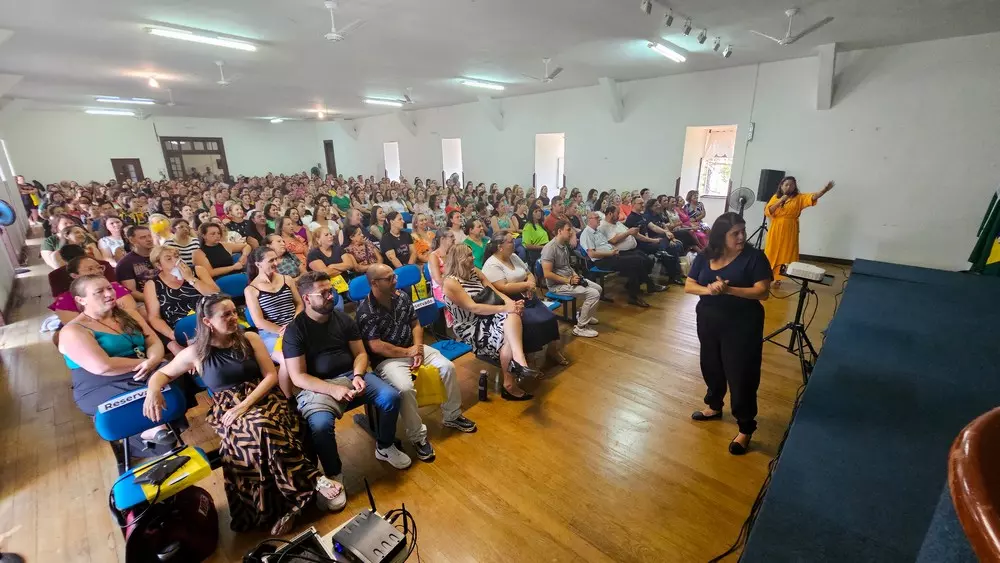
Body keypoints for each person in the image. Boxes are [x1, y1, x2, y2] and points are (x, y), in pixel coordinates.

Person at [141, 295, 346, 535]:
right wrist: (153, 389)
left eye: (233, 312)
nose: (233, 318)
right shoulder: (196, 352)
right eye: (225, 315)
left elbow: (270, 375)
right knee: (256, 433)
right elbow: (163, 374)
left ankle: (297, 498)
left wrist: (245, 405)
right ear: (207, 322)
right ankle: (306, 488)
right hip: (226, 407)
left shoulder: (249, 338)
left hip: (262, 396)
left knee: (260, 425)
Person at [282, 272, 412, 474]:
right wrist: (332, 390)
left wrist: (359, 374)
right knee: (320, 425)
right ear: (306, 298)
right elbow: (298, 377)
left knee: (391, 397)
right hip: (318, 386)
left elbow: (360, 353)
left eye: (331, 290)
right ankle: (334, 472)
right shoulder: (295, 330)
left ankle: (385, 446)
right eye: (323, 293)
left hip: (351, 376)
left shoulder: (343, 319)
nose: (331, 296)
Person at [357, 264, 477, 462]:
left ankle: (452, 415)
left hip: (413, 348)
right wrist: (408, 352)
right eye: (389, 278)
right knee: (404, 388)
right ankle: (417, 436)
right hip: (388, 360)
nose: (395, 279)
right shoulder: (365, 311)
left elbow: (415, 324)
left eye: (394, 276)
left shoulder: (401, 296)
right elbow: (376, 346)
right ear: (374, 283)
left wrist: (418, 348)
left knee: (447, 367)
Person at [685, 212, 773, 455]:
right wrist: (709, 289)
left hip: (742, 325)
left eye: (743, 231)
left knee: (741, 374)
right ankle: (714, 405)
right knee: (711, 365)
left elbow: (762, 292)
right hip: (708, 320)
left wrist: (728, 289)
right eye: (735, 233)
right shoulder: (705, 256)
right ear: (721, 236)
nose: (742, 236)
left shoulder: (754, 258)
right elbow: (689, 285)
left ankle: (745, 427)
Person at [57, 274, 173, 448]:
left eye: (109, 288)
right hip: (102, 382)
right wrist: (146, 364)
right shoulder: (73, 330)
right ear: (81, 300)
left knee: (175, 374)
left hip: (143, 368)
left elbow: (153, 341)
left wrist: (154, 359)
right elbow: (103, 366)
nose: (109, 294)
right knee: (151, 390)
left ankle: (159, 430)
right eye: (99, 292)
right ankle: (149, 433)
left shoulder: (129, 313)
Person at [442, 244, 540, 400]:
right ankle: (512, 380)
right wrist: (506, 309)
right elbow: (473, 308)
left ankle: (519, 366)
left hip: (488, 314)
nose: (473, 257)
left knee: (512, 318)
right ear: (459, 260)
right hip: (470, 325)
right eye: (468, 255)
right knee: (505, 335)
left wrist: (513, 305)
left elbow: (496, 292)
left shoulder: (475, 272)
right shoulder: (450, 282)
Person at [482, 234, 566, 364]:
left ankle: (552, 350)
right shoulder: (492, 264)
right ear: (500, 247)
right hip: (511, 301)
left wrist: (530, 285)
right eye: (511, 241)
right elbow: (503, 287)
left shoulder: (514, 257)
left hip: (528, 295)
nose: (515, 243)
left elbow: (528, 273)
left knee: (550, 317)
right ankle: (529, 359)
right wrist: (526, 285)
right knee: (531, 324)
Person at [144, 245, 219, 354]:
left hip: (209, 321)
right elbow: (154, 317)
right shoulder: (152, 285)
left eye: (176, 256)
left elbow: (216, 296)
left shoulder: (198, 271)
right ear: (159, 265)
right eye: (169, 258)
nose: (176, 260)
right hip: (181, 329)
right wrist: (171, 334)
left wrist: (191, 279)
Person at [764, 177, 835, 286]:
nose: (789, 187)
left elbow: (813, 197)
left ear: (795, 187)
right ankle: (767, 275)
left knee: (785, 252)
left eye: (792, 185)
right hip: (776, 228)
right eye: (786, 184)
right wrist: (780, 201)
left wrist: (824, 190)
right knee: (771, 251)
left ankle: (778, 277)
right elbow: (768, 211)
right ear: (781, 186)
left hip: (790, 229)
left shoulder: (799, 198)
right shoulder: (776, 197)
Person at [580, 211, 658, 308]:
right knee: (636, 260)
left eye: (599, 217)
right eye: (596, 218)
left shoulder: (597, 231)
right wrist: (610, 253)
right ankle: (647, 285)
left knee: (638, 258)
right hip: (602, 261)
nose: (599, 219)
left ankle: (635, 293)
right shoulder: (587, 233)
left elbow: (606, 244)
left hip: (611, 255)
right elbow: (591, 253)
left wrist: (613, 250)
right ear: (589, 220)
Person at [541, 221, 601, 338]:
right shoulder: (549, 248)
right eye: (568, 230)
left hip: (568, 279)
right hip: (557, 286)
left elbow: (567, 267)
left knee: (598, 288)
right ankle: (580, 328)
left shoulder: (564, 245)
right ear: (559, 231)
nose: (571, 233)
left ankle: (583, 314)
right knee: (593, 294)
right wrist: (568, 280)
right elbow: (547, 273)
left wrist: (574, 275)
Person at [245, 246, 303, 360]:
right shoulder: (251, 290)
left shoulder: (287, 279)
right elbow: (259, 322)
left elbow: (299, 304)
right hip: (272, 333)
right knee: (288, 357)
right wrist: (282, 331)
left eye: (276, 259)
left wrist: (293, 325)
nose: (276, 263)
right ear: (258, 264)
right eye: (271, 260)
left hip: (295, 325)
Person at [49, 256, 137, 323]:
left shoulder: (115, 287)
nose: (98, 271)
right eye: (90, 269)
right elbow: (78, 328)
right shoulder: (65, 299)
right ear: (75, 275)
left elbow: (130, 314)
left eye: (99, 267)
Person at [115, 225, 158, 304]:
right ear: (132, 240)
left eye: (149, 236)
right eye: (143, 237)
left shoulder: (159, 255)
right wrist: (157, 300)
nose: (149, 239)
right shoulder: (125, 263)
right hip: (145, 302)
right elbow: (132, 292)